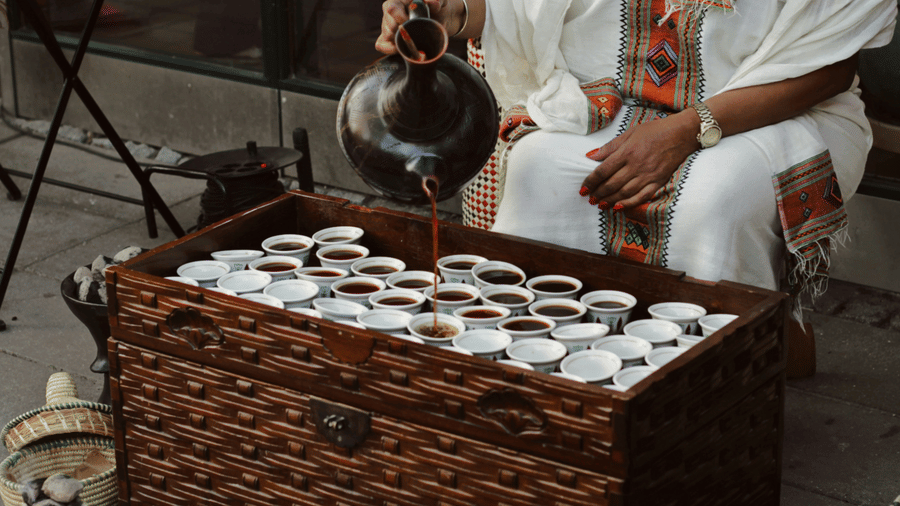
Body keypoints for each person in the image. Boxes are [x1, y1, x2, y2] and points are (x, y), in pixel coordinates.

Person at [376, 0, 897, 318]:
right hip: (614, 101)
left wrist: (688, 129)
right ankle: (546, 371)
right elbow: (522, 7)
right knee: (540, 169)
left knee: (712, 196)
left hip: (771, 110)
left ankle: (718, 381)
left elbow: (828, 71)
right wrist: (451, 12)